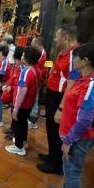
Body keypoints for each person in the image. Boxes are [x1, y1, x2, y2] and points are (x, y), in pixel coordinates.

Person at [45, 43, 94, 188]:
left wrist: (69, 140)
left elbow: (85, 120)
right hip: (69, 134)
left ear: (85, 61)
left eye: (76, 57)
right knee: (68, 167)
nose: (73, 60)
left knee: (73, 171)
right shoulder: (81, 78)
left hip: (79, 138)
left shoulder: (92, 85)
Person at [37, 25, 80, 175]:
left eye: (57, 37)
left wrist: (61, 108)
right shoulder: (65, 53)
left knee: (56, 130)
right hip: (53, 95)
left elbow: (72, 83)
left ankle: (55, 164)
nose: (55, 40)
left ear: (65, 38)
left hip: (60, 97)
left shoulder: (75, 56)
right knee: (51, 128)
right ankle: (52, 156)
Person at [5, 47, 41, 156]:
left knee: (18, 125)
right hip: (29, 103)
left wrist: (15, 109)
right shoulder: (36, 69)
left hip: (22, 104)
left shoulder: (26, 71)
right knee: (23, 123)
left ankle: (19, 146)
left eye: (23, 55)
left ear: (27, 58)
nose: (21, 57)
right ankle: (23, 142)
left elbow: (21, 92)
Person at [2, 47, 25, 140]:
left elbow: (21, 86)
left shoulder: (23, 69)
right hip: (12, 93)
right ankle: (12, 128)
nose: (15, 61)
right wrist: (7, 85)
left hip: (17, 95)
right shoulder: (15, 67)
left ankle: (15, 132)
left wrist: (11, 87)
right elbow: (10, 78)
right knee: (12, 112)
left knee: (16, 114)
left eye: (17, 59)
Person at [28, 37, 47, 129]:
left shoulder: (42, 54)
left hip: (37, 79)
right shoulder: (41, 52)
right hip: (37, 77)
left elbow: (42, 67)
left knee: (35, 98)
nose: (31, 45)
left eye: (32, 43)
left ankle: (33, 120)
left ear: (37, 44)